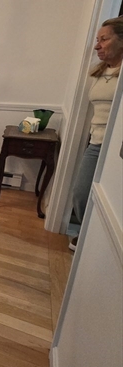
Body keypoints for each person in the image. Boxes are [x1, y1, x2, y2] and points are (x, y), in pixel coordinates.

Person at [70, 16, 123, 250]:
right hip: (96, 143)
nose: (97, 45)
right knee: (81, 194)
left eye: (104, 39)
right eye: (97, 40)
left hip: (117, 149)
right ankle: (88, 235)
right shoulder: (98, 72)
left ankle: (100, 245)